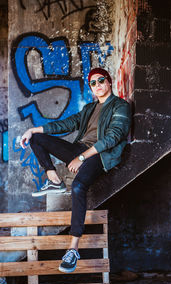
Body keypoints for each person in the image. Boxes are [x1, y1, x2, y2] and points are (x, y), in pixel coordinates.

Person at [20, 68, 131, 273]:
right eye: (93, 83)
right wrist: (33, 129)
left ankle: (72, 249)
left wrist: (81, 157)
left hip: (100, 155)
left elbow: (113, 138)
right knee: (36, 138)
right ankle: (54, 180)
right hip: (80, 149)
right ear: (91, 88)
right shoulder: (89, 108)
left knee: (79, 186)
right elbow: (67, 124)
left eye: (101, 80)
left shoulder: (120, 106)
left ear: (109, 81)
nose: (97, 85)